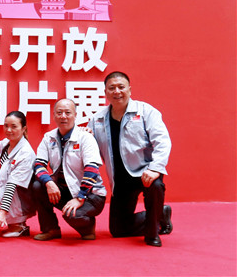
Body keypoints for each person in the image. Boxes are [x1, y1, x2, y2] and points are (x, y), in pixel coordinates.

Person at [90, 71, 173, 247]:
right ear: (105, 92)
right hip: (120, 179)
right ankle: (160, 214)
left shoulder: (146, 112)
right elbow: (90, 149)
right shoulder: (97, 119)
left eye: (121, 87)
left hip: (146, 172)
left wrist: (155, 168)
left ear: (129, 89)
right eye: (112, 88)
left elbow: (163, 141)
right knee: (118, 230)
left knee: (156, 185)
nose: (117, 91)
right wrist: (86, 137)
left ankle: (152, 232)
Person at [30, 99, 106, 241]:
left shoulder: (85, 137)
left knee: (71, 215)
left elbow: (92, 169)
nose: (63, 116)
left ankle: (88, 227)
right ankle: (51, 229)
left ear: (75, 115)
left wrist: (80, 197)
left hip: (90, 195)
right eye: (59, 113)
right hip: (64, 190)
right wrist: (49, 183)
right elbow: (38, 164)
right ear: (54, 116)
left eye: (67, 112)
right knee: (38, 185)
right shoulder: (48, 137)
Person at [0, 111, 36, 238]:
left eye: (14, 126)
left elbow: (12, 185)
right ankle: (14, 225)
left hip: (19, 197)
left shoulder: (26, 153)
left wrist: (2, 212)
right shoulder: (7, 143)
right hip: (6, 193)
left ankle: (19, 226)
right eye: (6, 126)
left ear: (23, 128)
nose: (8, 130)